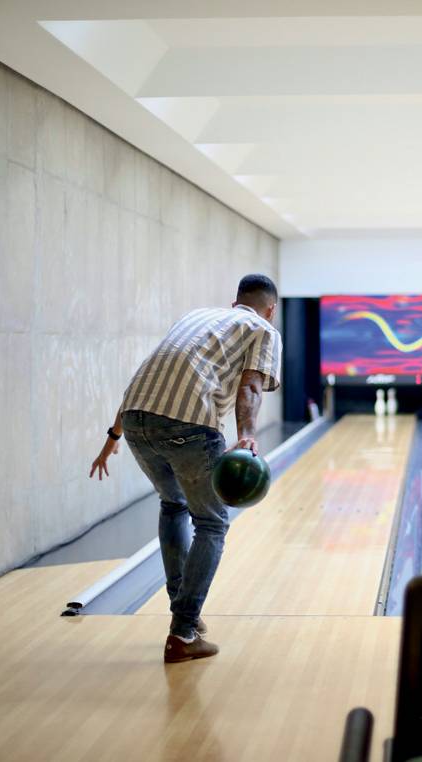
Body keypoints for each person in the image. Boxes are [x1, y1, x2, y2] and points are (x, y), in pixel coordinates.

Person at [90, 274, 282, 663]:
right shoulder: (263, 329)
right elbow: (251, 386)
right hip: (189, 424)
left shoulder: (195, 317)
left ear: (235, 302)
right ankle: (183, 632)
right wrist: (246, 436)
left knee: (173, 505)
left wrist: (113, 437)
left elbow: (148, 379)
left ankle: (183, 606)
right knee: (212, 523)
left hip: (136, 421)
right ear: (271, 309)